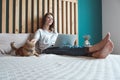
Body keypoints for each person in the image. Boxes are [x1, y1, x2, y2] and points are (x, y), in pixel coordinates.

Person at [32, 13, 114, 59]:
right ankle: (94, 48)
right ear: (44, 19)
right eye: (48, 18)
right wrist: (32, 43)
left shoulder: (55, 32)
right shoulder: (40, 31)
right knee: (66, 48)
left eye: (52, 19)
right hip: (47, 50)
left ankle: (95, 54)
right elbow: (34, 40)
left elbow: (59, 41)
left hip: (58, 47)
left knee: (69, 47)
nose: (50, 20)